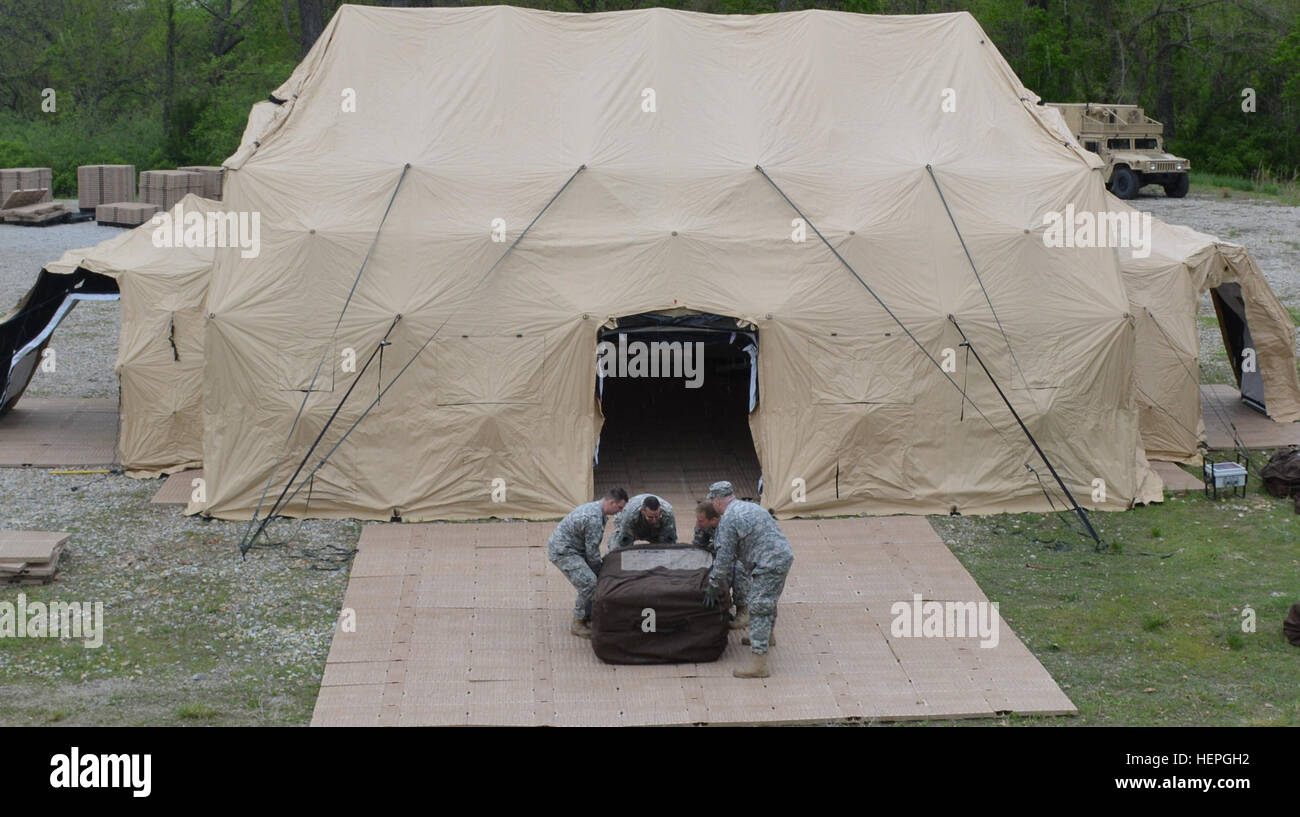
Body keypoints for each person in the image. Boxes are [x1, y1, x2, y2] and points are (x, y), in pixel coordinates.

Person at [701, 481, 793, 678]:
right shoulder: (751, 506)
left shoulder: (728, 519)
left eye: (712, 501)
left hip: (767, 563)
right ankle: (767, 637)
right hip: (781, 557)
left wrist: (713, 584)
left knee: (758, 606)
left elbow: (725, 557)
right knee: (768, 599)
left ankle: (758, 664)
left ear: (717, 501)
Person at [547, 488, 628, 638]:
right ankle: (578, 623)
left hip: (575, 548)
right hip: (564, 552)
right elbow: (592, 553)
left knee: (589, 579)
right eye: (619, 508)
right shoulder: (594, 518)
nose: (619, 512)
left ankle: (589, 615)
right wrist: (601, 572)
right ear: (611, 502)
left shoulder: (596, 510)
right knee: (589, 583)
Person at [694, 501, 751, 631]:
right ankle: (724, 601)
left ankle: (743, 609)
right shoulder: (702, 525)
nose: (698, 523)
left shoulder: (728, 527)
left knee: (737, 569)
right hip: (721, 554)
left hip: (741, 555)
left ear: (713, 520)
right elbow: (698, 547)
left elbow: (730, 555)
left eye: (701, 521)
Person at [608, 493, 677, 550]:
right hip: (633, 525)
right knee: (616, 549)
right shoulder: (629, 515)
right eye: (650, 517)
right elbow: (624, 542)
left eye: (656, 516)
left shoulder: (668, 513)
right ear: (643, 511)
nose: (654, 520)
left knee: (670, 549)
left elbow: (669, 541)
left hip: (656, 530)